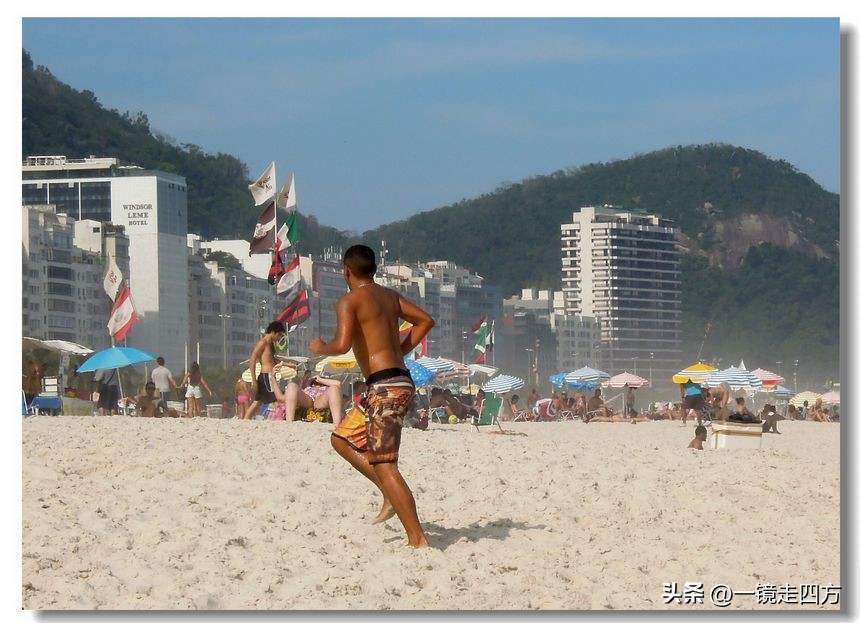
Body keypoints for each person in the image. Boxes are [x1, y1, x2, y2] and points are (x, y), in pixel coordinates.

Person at [320, 244, 434, 548]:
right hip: (393, 383)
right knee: (341, 439)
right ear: (374, 270)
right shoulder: (389, 296)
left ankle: (418, 540)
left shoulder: (350, 300)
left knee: (386, 464)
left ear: (346, 271)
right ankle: (386, 491)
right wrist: (399, 349)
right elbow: (426, 321)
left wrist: (321, 347)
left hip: (385, 388)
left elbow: (342, 344)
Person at [244, 321, 288, 420]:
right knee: (277, 398)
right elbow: (252, 360)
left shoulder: (270, 343)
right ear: (273, 332)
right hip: (266, 376)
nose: (279, 337)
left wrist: (289, 364)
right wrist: (253, 380)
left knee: (257, 402)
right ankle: (283, 417)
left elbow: (272, 359)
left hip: (269, 376)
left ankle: (245, 420)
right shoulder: (263, 342)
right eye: (279, 334)